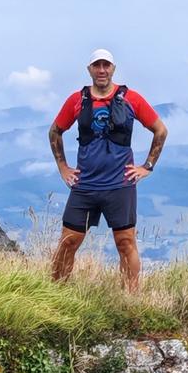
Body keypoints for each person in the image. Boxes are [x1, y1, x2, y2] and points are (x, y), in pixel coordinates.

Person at [48, 50, 167, 292]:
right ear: (89, 69)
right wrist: (63, 167)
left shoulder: (131, 99)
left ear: (113, 68)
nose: (101, 70)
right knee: (68, 242)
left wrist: (147, 166)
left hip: (119, 185)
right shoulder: (77, 100)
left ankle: (130, 299)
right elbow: (55, 131)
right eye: (97, 65)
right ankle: (54, 294)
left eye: (106, 65)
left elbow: (160, 130)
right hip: (85, 185)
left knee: (125, 243)